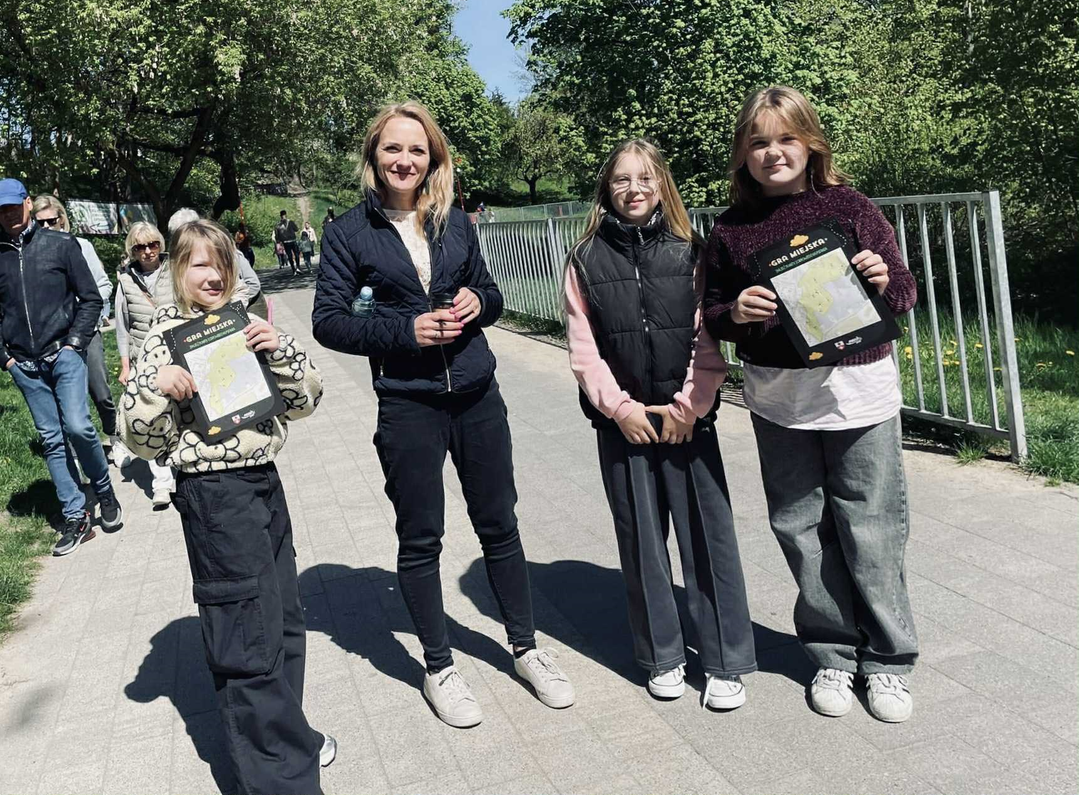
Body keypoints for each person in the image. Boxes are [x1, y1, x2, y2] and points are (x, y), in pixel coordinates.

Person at [313, 101, 575, 728]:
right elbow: (328, 320)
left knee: (499, 524)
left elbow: (492, 292)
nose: (405, 161)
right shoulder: (347, 232)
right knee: (421, 533)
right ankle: (439, 666)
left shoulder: (453, 221)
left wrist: (475, 302)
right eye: (392, 150)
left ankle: (526, 649)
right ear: (373, 158)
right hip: (409, 403)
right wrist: (407, 330)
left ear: (433, 158)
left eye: (417, 150)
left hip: (478, 393)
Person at [703, 86, 919, 723]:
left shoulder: (849, 208)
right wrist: (735, 313)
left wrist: (884, 279)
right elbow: (713, 309)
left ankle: (888, 661)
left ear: (811, 143)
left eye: (786, 138)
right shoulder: (731, 230)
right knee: (801, 529)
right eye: (759, 141)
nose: (774, 152)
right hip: (780, 402)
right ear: (743, 153)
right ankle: (831, 651)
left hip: (860, 395)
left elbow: (904, 289)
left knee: (872, 529)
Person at [118, 218, 335, 793]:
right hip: (214, 497)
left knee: (285, 622)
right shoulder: (162, 339)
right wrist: (154, 387)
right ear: (176, 271)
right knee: (248, 641)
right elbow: (141, 440)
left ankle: (290, 739)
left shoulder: (246, 322)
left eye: (221, 263)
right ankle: (279, 780)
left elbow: (306, 400)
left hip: (264, 483)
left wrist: (280, 348)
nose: (212, 276)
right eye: (198, 264)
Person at [564, 139, 756, 708]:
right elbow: (583, 348)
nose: (634, 189)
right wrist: (619, 409)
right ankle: (662, 655)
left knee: (708, 538)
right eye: (622, 179)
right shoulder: (585, 259)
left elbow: (709, 337)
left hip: (687, 422)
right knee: (643, 543)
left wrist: (689, 407)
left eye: (645, 178)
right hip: (623, 426)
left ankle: (723, 660)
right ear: (607, 189)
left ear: (662, 185)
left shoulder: (691, 251)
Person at [0, 178, 123, 556]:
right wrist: (5, 358)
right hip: (24, 365)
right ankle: (76, 515)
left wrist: (75, 345)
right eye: (1, 210)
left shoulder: (61, 245)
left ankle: (104, 491)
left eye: (14, 206)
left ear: (27, 204)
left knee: (78, 425)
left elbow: (90, 299)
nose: (9, 214)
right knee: (52, 439)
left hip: (64, 354)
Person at [32, 194, 128, 467]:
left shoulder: (82, 246)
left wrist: (95, 313)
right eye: (42, 223)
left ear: (63, 218)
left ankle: (115, 437)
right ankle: (77, 452)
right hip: (55, 338)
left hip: (86, 330)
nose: (49, 226)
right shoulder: (32, 253)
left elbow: (103, 284)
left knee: (99, 389)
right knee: (66, 397)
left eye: (53, 220)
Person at [111, 221, 177, 508]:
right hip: (144, 359)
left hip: (178, 351)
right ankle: (162, 482)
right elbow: (122, 327)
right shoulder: (124, 282)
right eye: (140, 247)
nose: (148, 252)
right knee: (152, 416)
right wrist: (126, 365)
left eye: (153, 245)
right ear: (132, 250)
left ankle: (185, 462)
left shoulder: (174, 269)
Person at [169, 207, 262, 306]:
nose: (215, 277)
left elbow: (252, 283)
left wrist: (233, 307)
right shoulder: (168, 315)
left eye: (222, 265)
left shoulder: (231, 253)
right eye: (201, 265)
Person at [276, 209, 301, 274]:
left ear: (280, 216)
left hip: (285, 242)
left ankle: (293, 269)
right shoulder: (290, 222)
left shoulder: (278, 225)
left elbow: (277, 236)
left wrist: (280, 241)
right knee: (296, 254)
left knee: (290, 256)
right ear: (286, 215)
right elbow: (296, 229)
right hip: (292, 240)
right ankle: (297, 267)